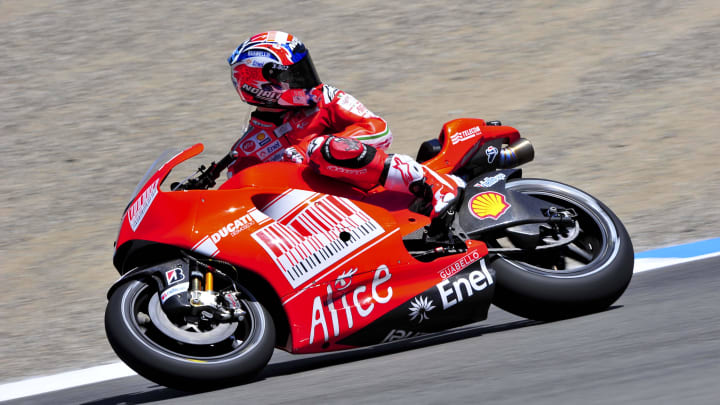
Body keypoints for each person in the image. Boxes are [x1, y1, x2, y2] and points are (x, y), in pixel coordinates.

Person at [226, 31, 465, 219]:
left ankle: (432, 183)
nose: (306, 78)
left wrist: (308, 149)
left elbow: (380, 130)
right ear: (259, 85)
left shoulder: (325, 98)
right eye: (294, 75)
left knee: (320, 148)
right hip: (314, 219)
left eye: (304, 68)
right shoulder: (246, 150)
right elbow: (241, 202)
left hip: (368, 190)